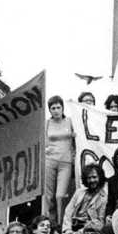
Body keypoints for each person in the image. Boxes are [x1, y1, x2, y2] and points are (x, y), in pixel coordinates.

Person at [61, 163, 107, 234]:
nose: (91, 180)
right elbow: (68, 211)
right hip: (71, 229)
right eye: (89, 178)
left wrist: (82, 231)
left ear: (100, 177)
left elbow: (100, 221)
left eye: (94, 177)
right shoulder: (79, 192)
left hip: (87, 232)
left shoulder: (104, 197)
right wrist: (67, 229)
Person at [43, 95, 75, 226]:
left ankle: (61, 225)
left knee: (60, 196)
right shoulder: (47, 123)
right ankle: (47, 223)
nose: (56, 110)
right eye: (53, 108)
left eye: (58, 107)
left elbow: (77, 138)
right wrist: (45, 150)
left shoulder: (70, 121)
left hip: (65, 162)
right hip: (50, 160)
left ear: (62, 108)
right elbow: (42, 140)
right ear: (49, 110)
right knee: (48, 196)